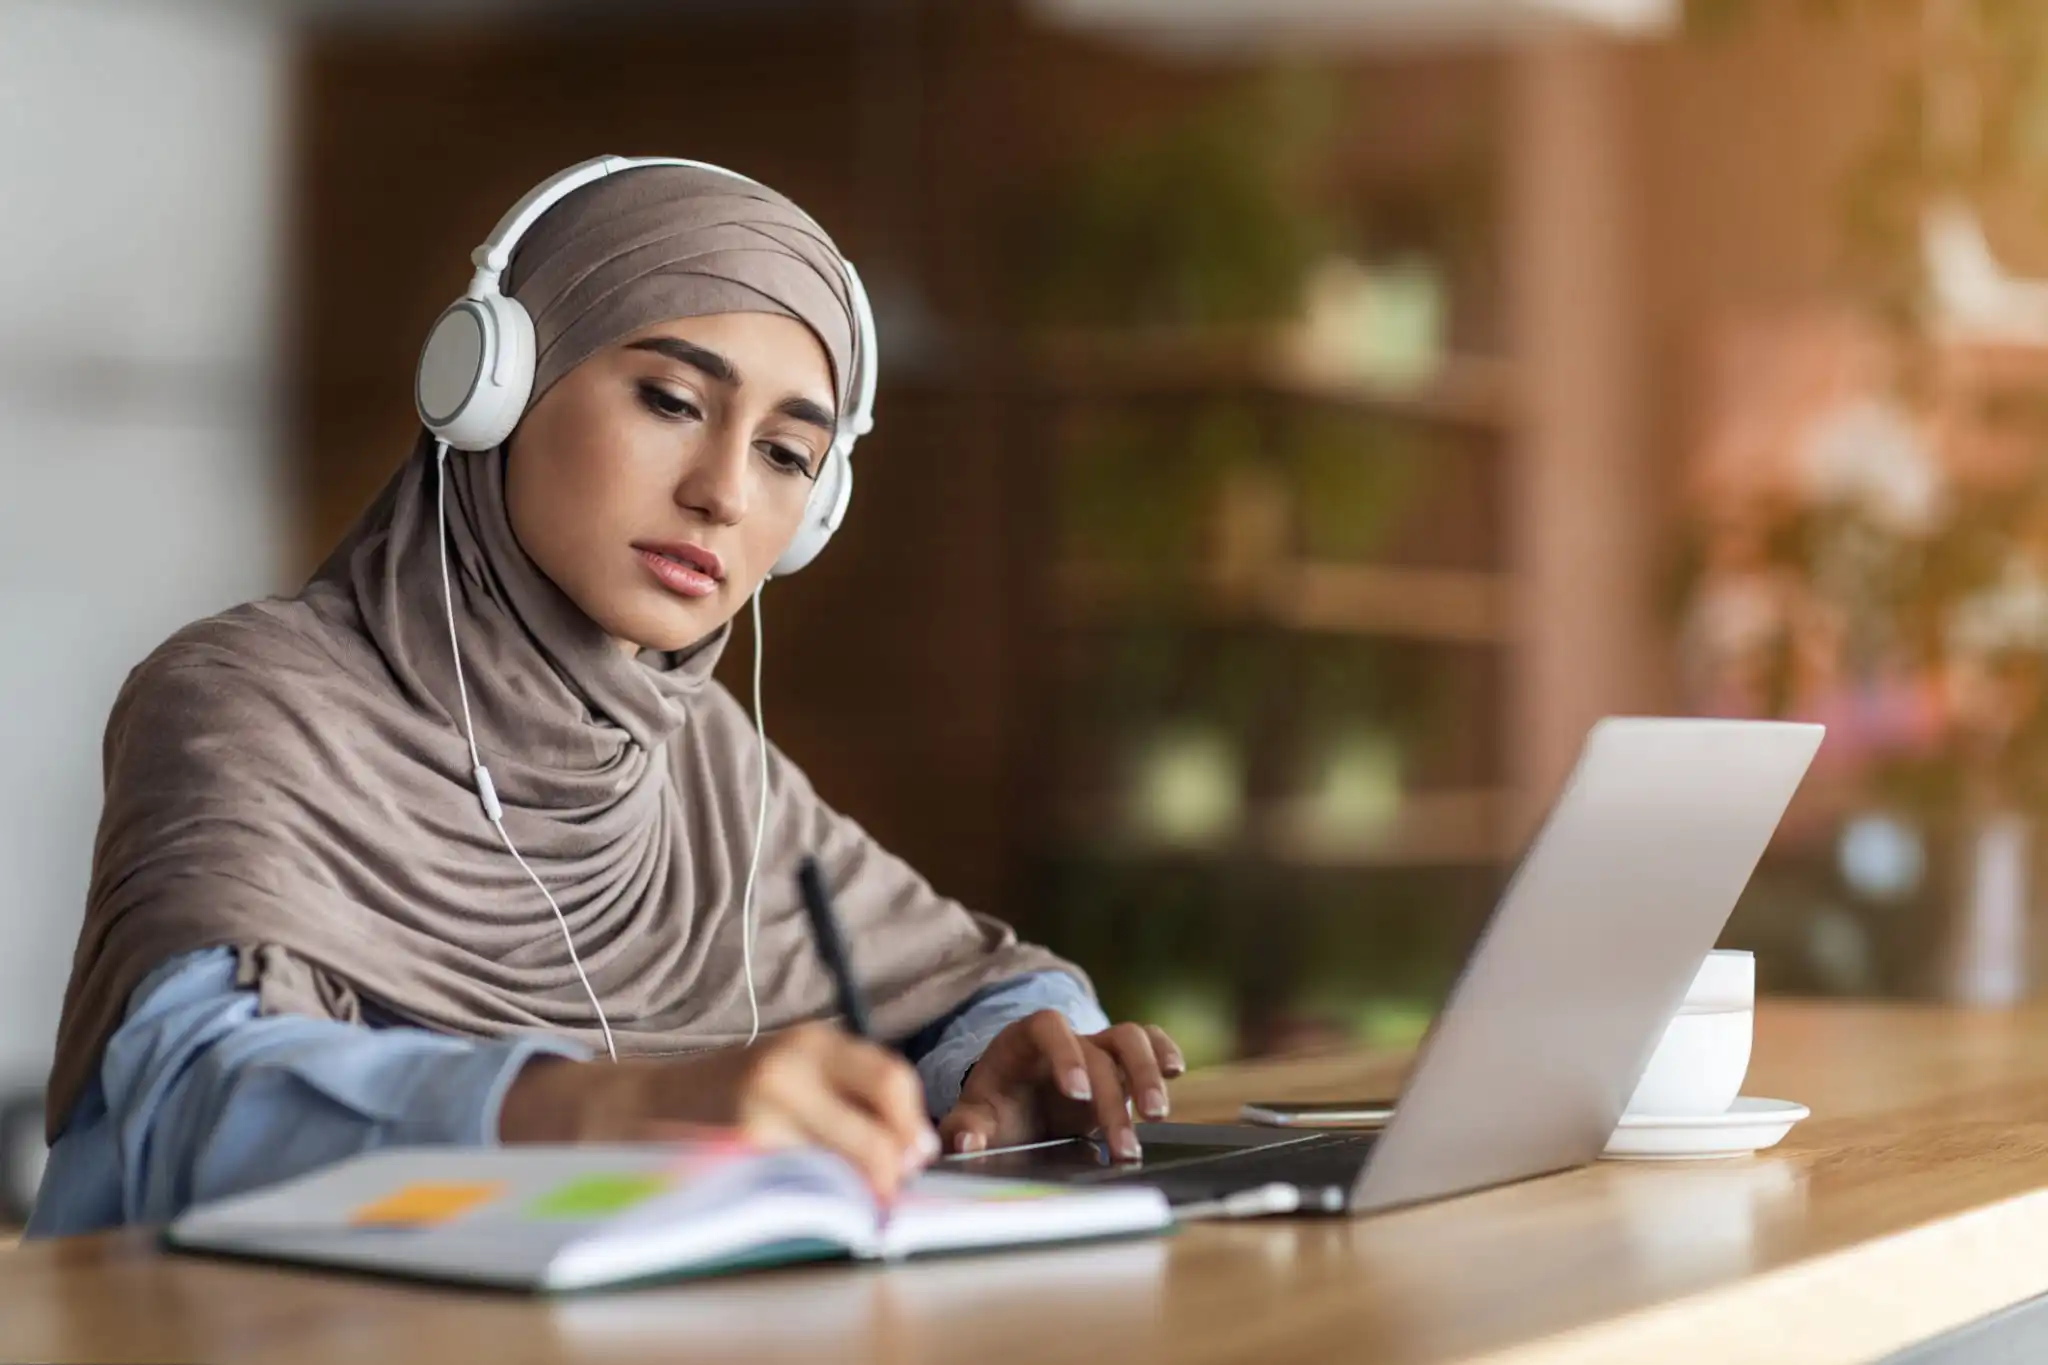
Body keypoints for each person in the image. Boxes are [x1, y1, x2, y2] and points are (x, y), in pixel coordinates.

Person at [25, 158, 1180, 1239]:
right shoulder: (251, 698)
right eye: (672, 400)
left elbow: (975, 974)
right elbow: (193, 1109)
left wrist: (992, 1060)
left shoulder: (705, 763)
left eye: (787, 456)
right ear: (492, 387)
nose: (724, 492)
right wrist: (608, 1107)